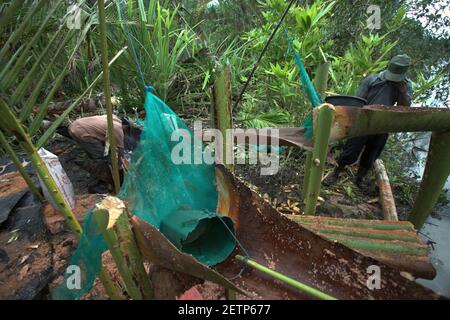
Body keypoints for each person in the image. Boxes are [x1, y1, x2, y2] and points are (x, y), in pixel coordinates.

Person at [324, 54, 413, 188]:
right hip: (364, 120)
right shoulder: (373, 79)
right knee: (350, 151)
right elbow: (358, 100)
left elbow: (405, 107)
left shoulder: (405, 86)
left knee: (372, 154)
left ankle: (360, 178)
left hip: (383, 124)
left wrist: (402, 92)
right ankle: (336, 172)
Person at [65, 115, 142, 190]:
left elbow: (107, 138)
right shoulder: (117, 131)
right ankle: (105, 179)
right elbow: (120, 152)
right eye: (127, 130)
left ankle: (101, 171)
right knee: (101, 158)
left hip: (75, 126)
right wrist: (120, 168)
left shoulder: (114, 118)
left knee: (99, 152)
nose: (126, 132)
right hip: (81, 132)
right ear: (125, 126)